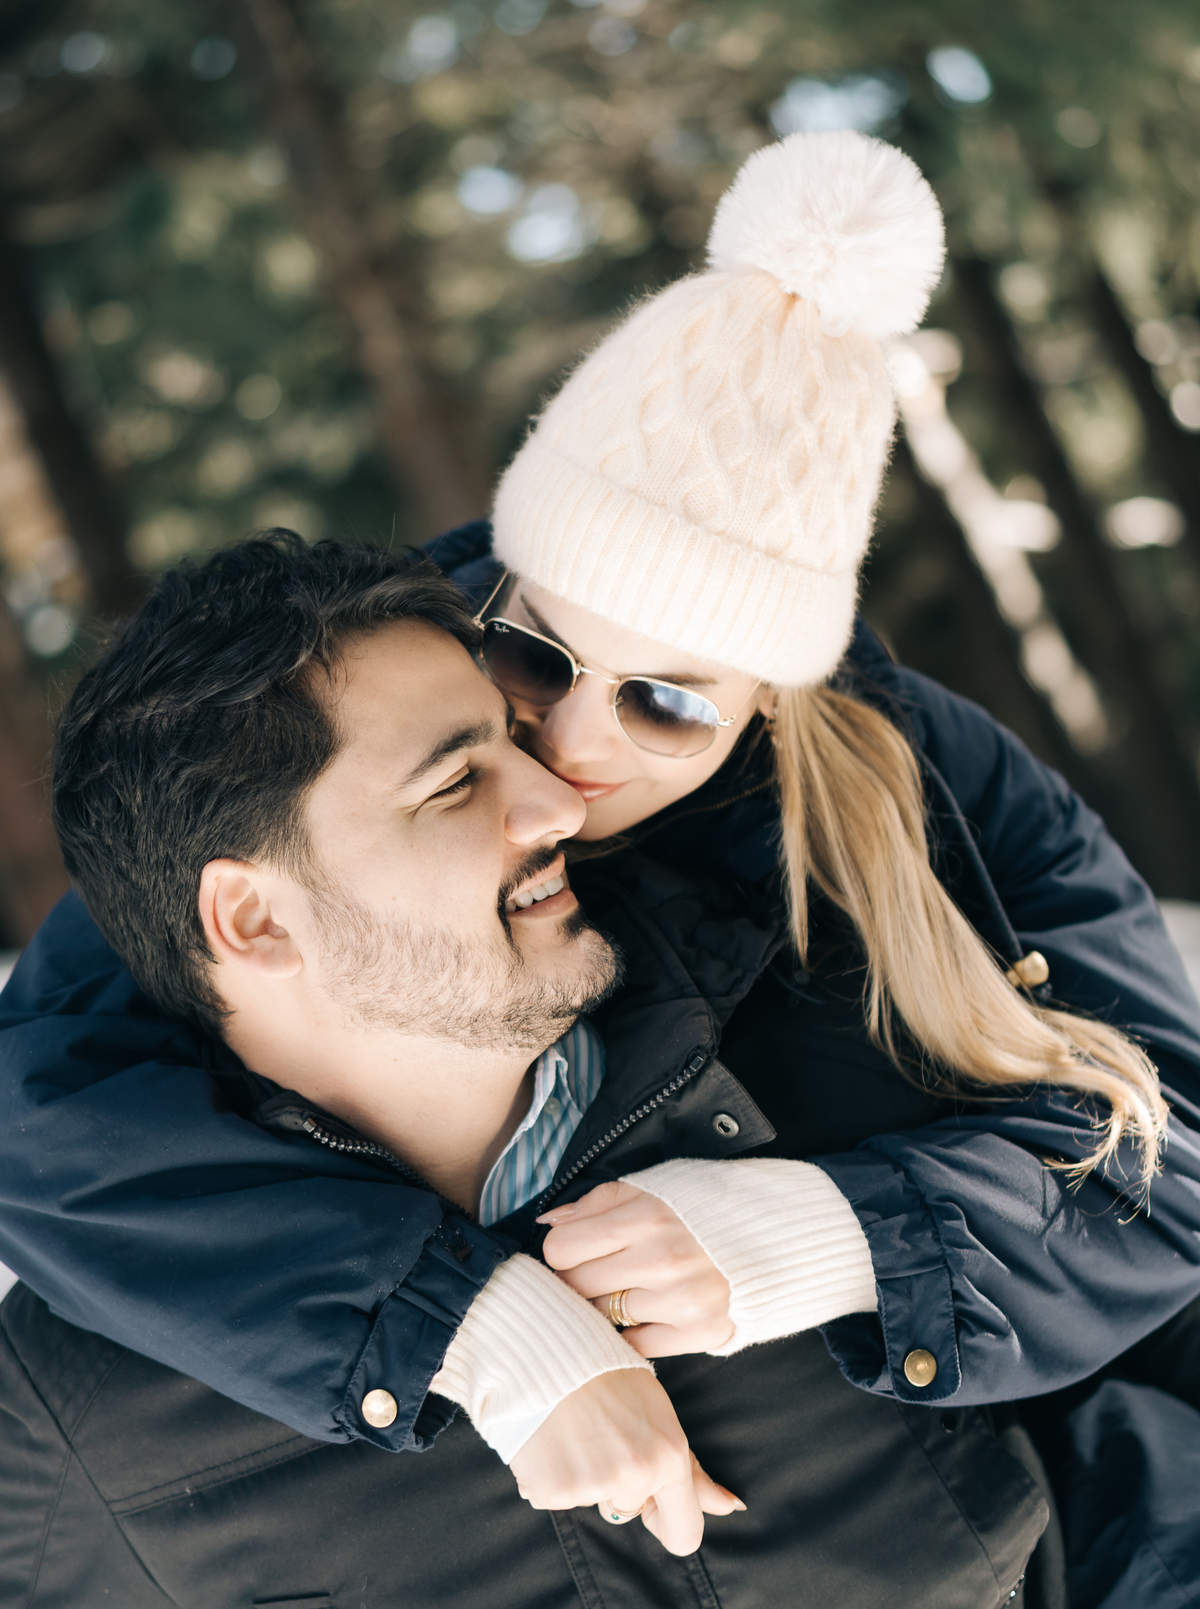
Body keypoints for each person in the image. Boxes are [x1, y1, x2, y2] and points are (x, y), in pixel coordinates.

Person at [2, 129, 1200, 1603]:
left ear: (771, 704)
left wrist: (842, 1235)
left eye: (669, 703)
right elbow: (42, 1108)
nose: (566, 760)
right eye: (533, 654)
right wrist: (459, 1323)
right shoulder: (332, 738)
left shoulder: (914, 802)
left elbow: (1166, 1152)